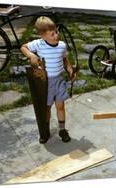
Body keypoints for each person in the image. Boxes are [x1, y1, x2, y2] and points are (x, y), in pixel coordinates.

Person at [21, 16, 76, 144]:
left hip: (59, 81)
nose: (56, 35)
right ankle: (45, 131)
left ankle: (62, 130)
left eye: (56, 31)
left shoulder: (62, 45)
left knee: (60, 106)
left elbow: (64, 59)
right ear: (42, 36)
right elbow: (23, 47)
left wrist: (70, 69)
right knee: (46, 109)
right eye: (52, 34)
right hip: (45, 83)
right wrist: (31, 55)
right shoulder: (38, 44)